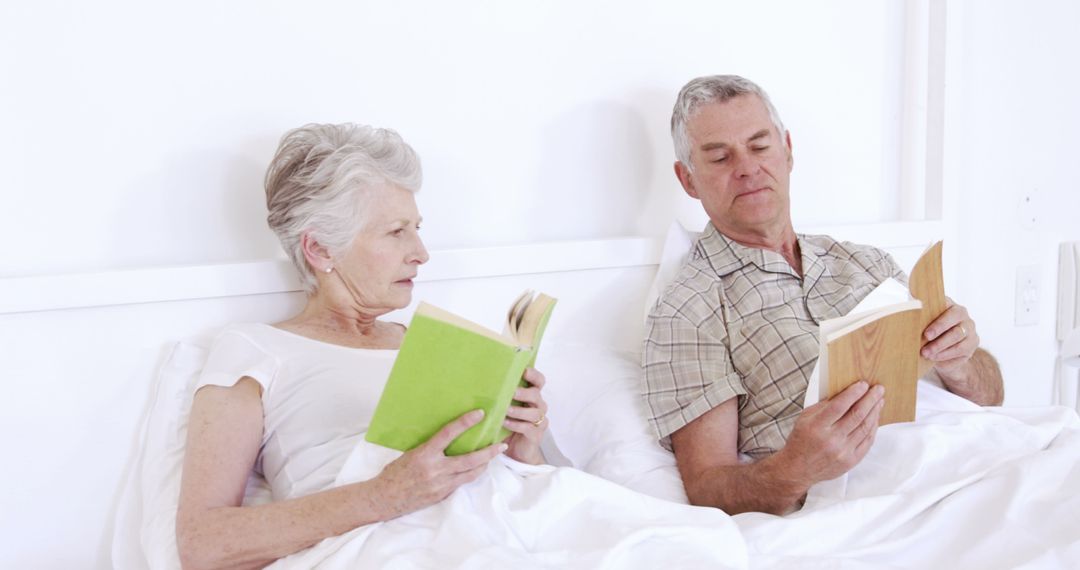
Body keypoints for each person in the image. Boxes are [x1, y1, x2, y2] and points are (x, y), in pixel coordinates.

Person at [175, 123, 549, 569]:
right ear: (319, 249)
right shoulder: (255, 349)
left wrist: (525, 447)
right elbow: (203, 545)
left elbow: (527, 490)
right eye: (396, 232)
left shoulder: (434, 345)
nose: (421, 252)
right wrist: (385, 494)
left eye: (417, 228)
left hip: (506, 534)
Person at [641, 75, 1005, 516]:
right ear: (688, 180)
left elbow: (991, 398)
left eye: (759, 147)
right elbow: (707, 485)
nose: (747, 168)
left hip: (980, 458)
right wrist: (794, 469)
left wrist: (959, 360)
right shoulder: (690, 308)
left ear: (788, 150)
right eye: (719, 157)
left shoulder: (868, 264)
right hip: (880, 500)